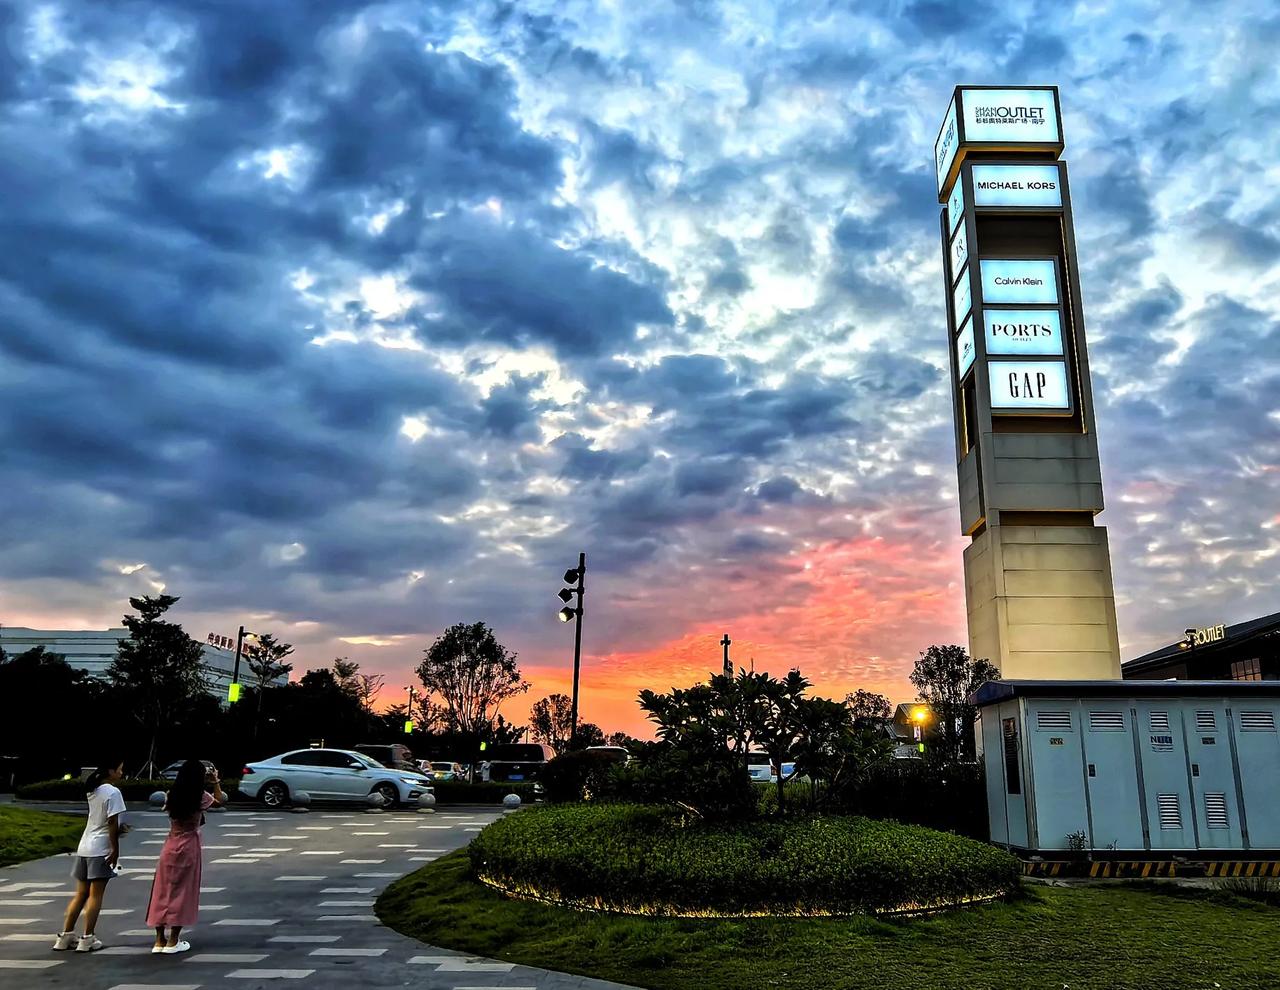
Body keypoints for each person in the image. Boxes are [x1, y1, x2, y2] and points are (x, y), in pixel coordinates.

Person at [145, 759, 223, 954]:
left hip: (170, 846)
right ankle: (174, 940)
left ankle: (159, 940)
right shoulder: (200, 796)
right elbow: (220, 801)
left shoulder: (172, 795)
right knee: (183, 892)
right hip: (189, 847)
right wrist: (215, 782)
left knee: (162, 891)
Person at [54, 758, 129, 952]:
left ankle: (65, 936)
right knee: (96, 895)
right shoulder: (113, 792)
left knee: (81, 894)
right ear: (110, 771)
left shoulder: (93, 789)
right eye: (119, 770)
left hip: (85, 846)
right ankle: (87, 938)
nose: (121, 773)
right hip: (101, 848)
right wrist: (115, 849)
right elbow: (112, 823)